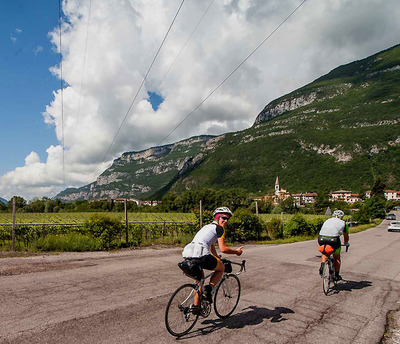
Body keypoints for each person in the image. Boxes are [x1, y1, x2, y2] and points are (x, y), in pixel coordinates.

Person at [182, 206, 243, 313]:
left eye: (227, 219)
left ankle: (196, 307)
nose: (226, 221)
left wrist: (216, 257)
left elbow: (210, 245)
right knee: (221, 268)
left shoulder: (206, 227)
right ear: (217, 218)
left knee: (200, 280)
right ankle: (209, 289)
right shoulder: (220, 229)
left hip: (188, 252)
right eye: (223, 218)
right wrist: (236, 252)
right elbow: (223, 248)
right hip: (200, 253)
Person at [318, 209, 349, 281]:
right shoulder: (344, 223)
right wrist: (346, 243)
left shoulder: (328, 220)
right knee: (336, 257)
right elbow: (346, 236)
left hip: (321, 238)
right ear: (341, 216)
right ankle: (337, 275)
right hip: (334, 239)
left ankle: (322, 266)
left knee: (325, 252)